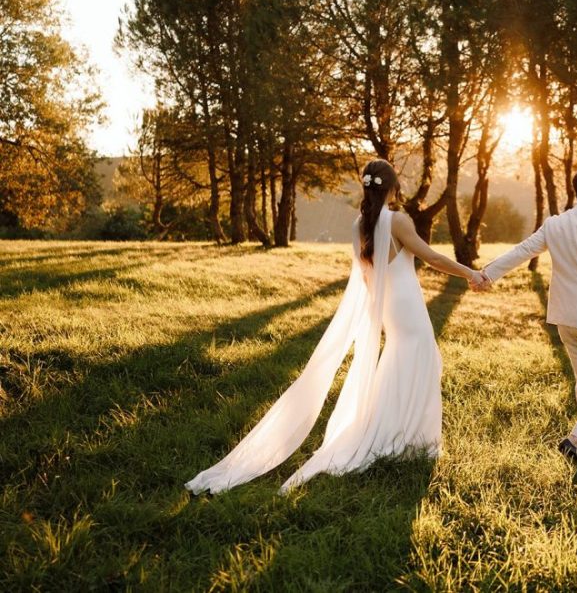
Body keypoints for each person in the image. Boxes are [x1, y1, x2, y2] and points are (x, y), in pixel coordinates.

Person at [185, 159, 486, 494]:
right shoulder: (397, 220)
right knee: (421, 359)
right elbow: (432, 258)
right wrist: (470, 273)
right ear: (391, 186)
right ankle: (408, 441)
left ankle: (404, 437)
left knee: (403, 362)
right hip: (407, 305)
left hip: (388, 306)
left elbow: (369, 276)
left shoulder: (360, 224)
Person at [480, 167, 577, 461]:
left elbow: (521, 252)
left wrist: (487, 274)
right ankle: (576, 439)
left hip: (565, 318)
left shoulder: (556, 224)